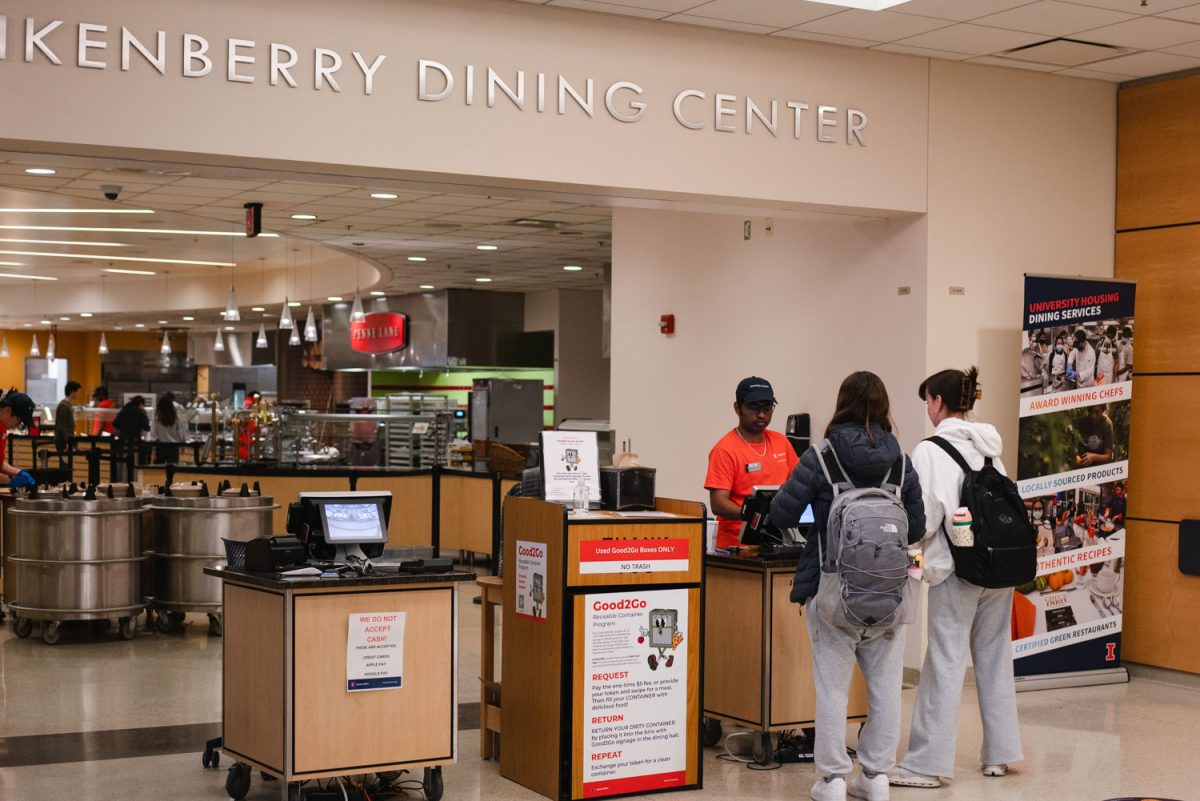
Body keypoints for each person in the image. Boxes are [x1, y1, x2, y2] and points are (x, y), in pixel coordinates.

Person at [768, 371, 924, 801]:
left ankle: (832, 780)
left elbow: (781, 513)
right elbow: (919, 526)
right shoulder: (902, 461)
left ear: (843, 404)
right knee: (886, 688)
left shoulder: (821, 458)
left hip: (833, 590)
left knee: (833, 688)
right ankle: (875, 777)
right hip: (889, 595)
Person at [891, 367, 1023, 789]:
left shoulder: (930, 450)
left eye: (927, 401)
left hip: (957, 568)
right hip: (1000, 567)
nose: (927, 409)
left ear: (936, 400)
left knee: (945, 660)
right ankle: (1000, 755)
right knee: (995, 655)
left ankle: (927, 765)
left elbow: (926, 517)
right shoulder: (988, 445)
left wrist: (909, 551)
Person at [704, 376, 799, 551]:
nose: (761, 414)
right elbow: (718, 503)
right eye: (753, 407)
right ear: (737, 408)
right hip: (735, 549)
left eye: (767, 407)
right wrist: (754, 515)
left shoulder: (781, 442)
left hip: (778, 542)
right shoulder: (725, 450)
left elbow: (798, 485)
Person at [0, 390, 38, 491]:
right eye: (19, 421)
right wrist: (10, 481)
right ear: (7, 410)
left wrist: (18, 472)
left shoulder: (2, 428)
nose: (17, 426)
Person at [112, 396, 150, 478]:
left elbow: (115, 424)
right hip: (135, 443)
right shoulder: (141, 412)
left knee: (123, 465)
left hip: (122, 442)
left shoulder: (123, 411)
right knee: (134, 466)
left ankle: (122, 482)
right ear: (141, 404)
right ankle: (133, 483)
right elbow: (146, 427)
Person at [152, 393, 189, 464]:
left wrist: (154, 448)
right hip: (173, 447)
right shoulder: (176, 419)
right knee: (172, 470)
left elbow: (153, 434)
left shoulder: (156, 418)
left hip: (160, 447)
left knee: (159, 471)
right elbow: (181, 435)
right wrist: (183, 444)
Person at [1074, 404, 1114, 468]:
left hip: (1100, 465)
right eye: (1091, 412)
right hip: (1084, 463)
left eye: (1097, 412)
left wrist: (1093, 457)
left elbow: (1108, 456)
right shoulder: (1083, 421)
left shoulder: (1107, 424)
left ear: (1103, 411)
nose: (1093, 416)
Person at [54, 380, 82, 466]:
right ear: (72, 392)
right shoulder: (64, 406)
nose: (78, 394)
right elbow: (61, 426)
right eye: (77, 392)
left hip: (67, 441)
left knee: (67, 466)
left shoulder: (67, 405)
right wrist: (66, 441)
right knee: (64, 467)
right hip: (63, 442)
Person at [1019, 331, 1049, 396]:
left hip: (1036, 376)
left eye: (1035, 336)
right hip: (1027, 377)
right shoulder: (1025, 352)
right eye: (1033, 336)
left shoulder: (1037, 350)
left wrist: (1041, 369)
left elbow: (1043, 361)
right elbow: (1023, 364)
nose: (1034, 339)